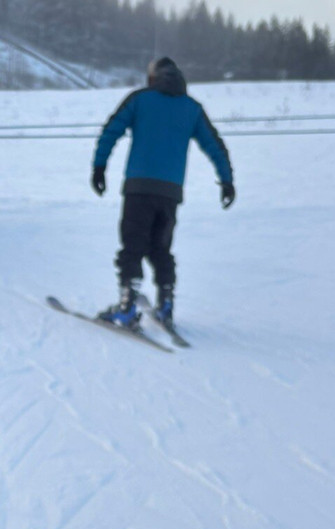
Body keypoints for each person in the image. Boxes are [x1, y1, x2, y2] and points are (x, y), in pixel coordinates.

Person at [91, 56, 235, 327]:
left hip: (138, 187)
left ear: (154, 77)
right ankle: (166, 305)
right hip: (170, 192)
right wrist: (227, 181)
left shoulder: (139, 99)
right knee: (160, 248)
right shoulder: (192, 108)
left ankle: (126, 307)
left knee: (132, 246)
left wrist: (99, 166)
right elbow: (215, 146)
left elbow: (112, 130)